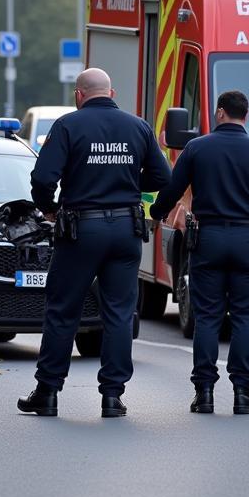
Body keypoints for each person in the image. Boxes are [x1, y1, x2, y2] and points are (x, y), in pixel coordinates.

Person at [18, 67, 171, 419]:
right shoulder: (138, 127)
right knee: (118, 312)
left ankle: (48, 392)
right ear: (111, 94)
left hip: (80, 231)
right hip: (125, 230)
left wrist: (50, 209)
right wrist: (128, 178)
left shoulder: (68, 126)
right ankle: (113, 396)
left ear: (78, 95)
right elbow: (164, 176)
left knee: (63, 310)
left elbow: (43, 178)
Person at [150, 90, 249, 415]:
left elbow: (172, 189)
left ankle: (205, 393)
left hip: (208, 240)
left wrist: (155, 214)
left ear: (220, 112)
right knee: (245, 318)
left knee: (208, 317)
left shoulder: (197, 148)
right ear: (247, 115)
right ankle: (243, 393)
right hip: (248, 242)